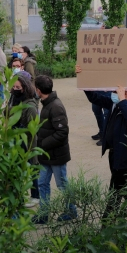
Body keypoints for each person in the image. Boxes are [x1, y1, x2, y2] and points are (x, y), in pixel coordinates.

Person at [78, 75, 127, 219]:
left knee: (116, 185)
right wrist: (85, 83)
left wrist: (122, 101)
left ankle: (108, 217)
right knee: (121, 184)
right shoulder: (114, 103)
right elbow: (95, 98)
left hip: (125, 153)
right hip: (114, 152)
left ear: (125, 93)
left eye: (116, 92)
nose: (112, 95)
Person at [32, 75, 76, 224]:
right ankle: (44, 214)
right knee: (42, 183)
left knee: (62, 184)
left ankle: (71, 211)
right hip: (46, 155)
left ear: (38, 90)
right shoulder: (46, 103)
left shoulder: (55, 106)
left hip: (56, 155)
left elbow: (62, 132)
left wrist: (42, 144)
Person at [5, 74, 40, 208]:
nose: (15, 89)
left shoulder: (30, 107)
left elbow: (33, 132)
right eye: (13, 86)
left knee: (31, 167)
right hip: (14, 141)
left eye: (18, 87)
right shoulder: (14, 99)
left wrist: (32, 150)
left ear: (25, 87)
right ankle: (18, 197)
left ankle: (35, 196)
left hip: (26, 143)